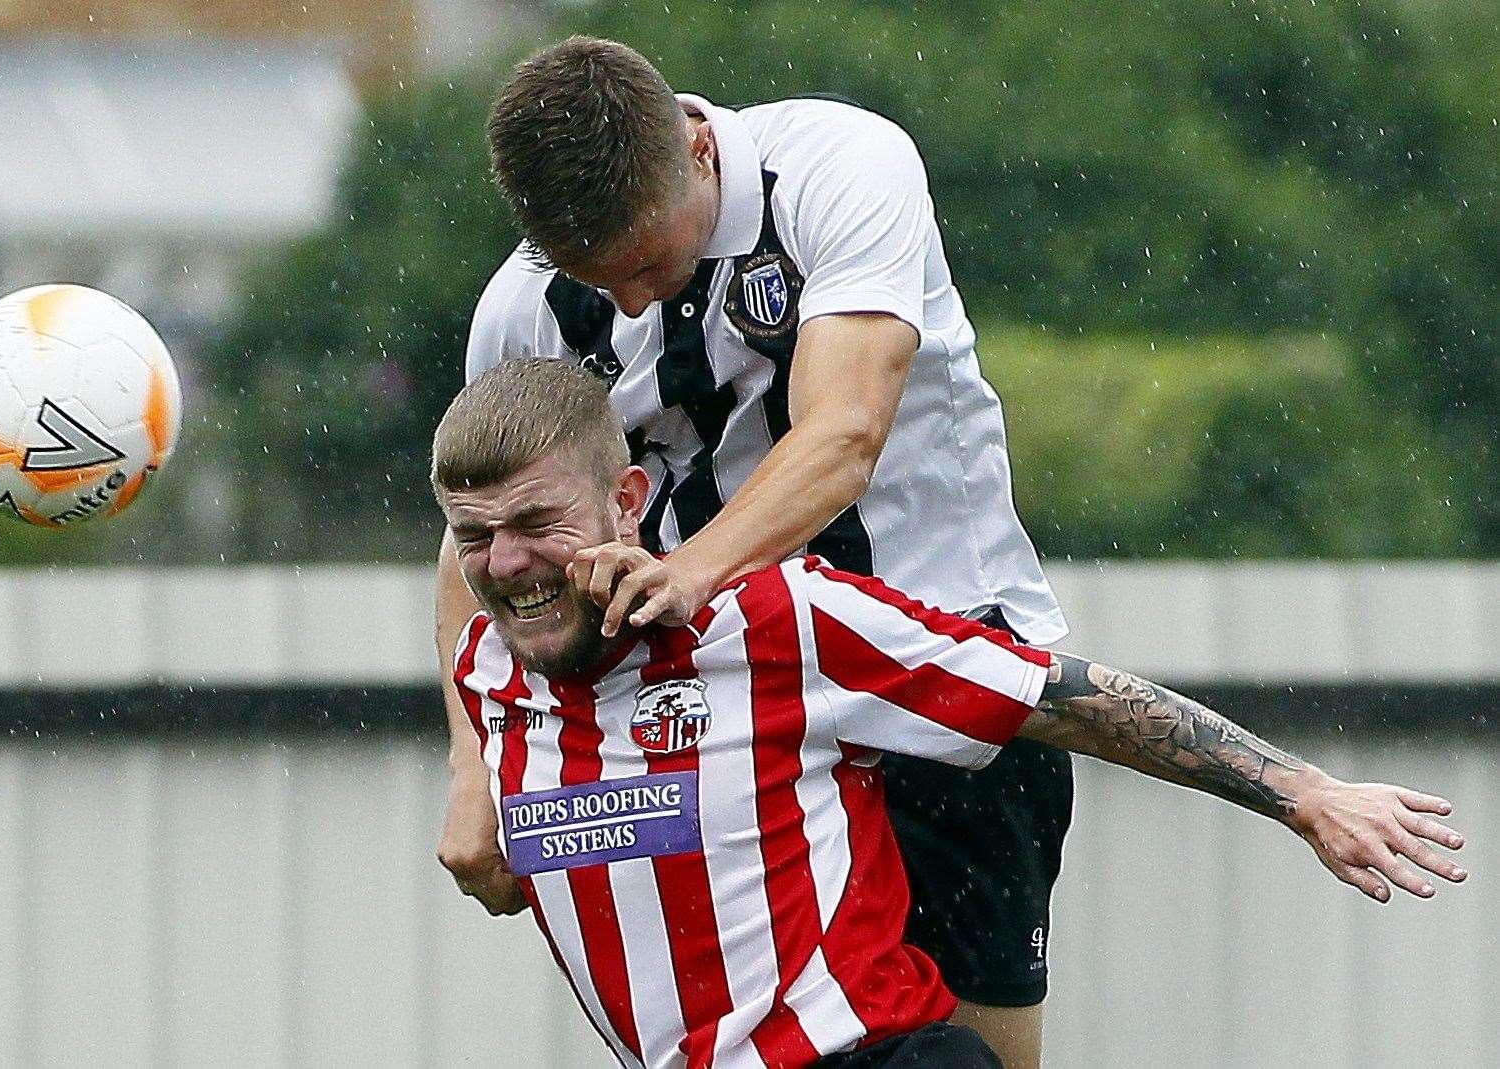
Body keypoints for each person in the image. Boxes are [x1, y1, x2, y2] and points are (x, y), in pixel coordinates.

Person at [432, 359, 1466, 1069]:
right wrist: (469, 784)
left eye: (537, 523)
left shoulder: (779, 618)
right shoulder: (489, 675)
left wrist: (1302, 791)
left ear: (625, 500)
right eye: (476, 536)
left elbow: (1057, 697)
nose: (509, 561)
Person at [437, 36, 1072, 1065]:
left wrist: (687, 572)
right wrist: (477, 766)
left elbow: (843, 432)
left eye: (647, 263)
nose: (633, 305)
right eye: (603, 282)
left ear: (696, 148)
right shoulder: (524, 308)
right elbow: (480, 529)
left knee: (977, 1055)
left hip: (942, 675)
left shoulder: (838, 166)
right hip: (728, 707)